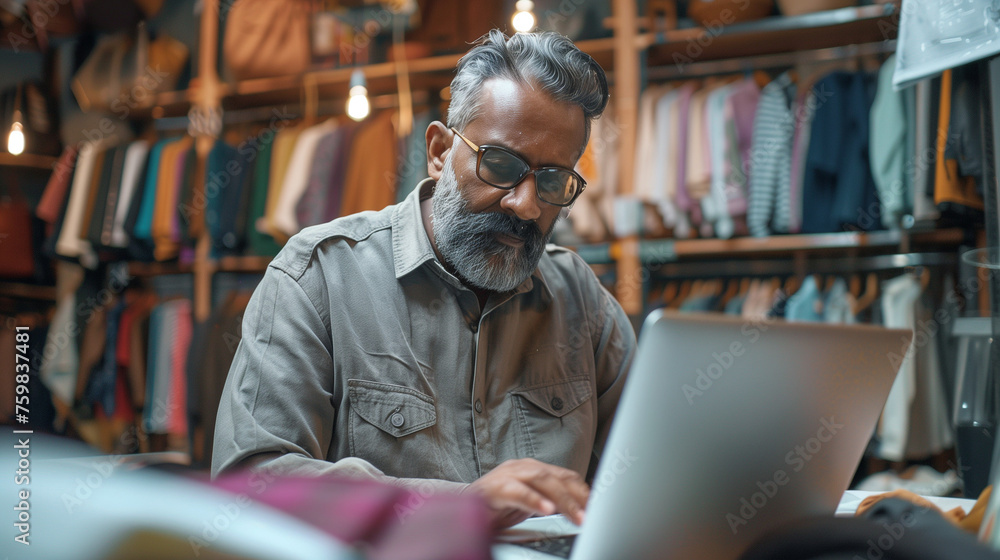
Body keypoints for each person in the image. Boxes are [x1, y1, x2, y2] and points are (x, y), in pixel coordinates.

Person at [212, 29, 636, 529]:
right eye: (500, 164)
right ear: (438, 151)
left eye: (553, 181)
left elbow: (651, 468)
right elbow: (253, 483)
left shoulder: (579, 298)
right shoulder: (318, 277)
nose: (526, 205)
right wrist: (456, 507)